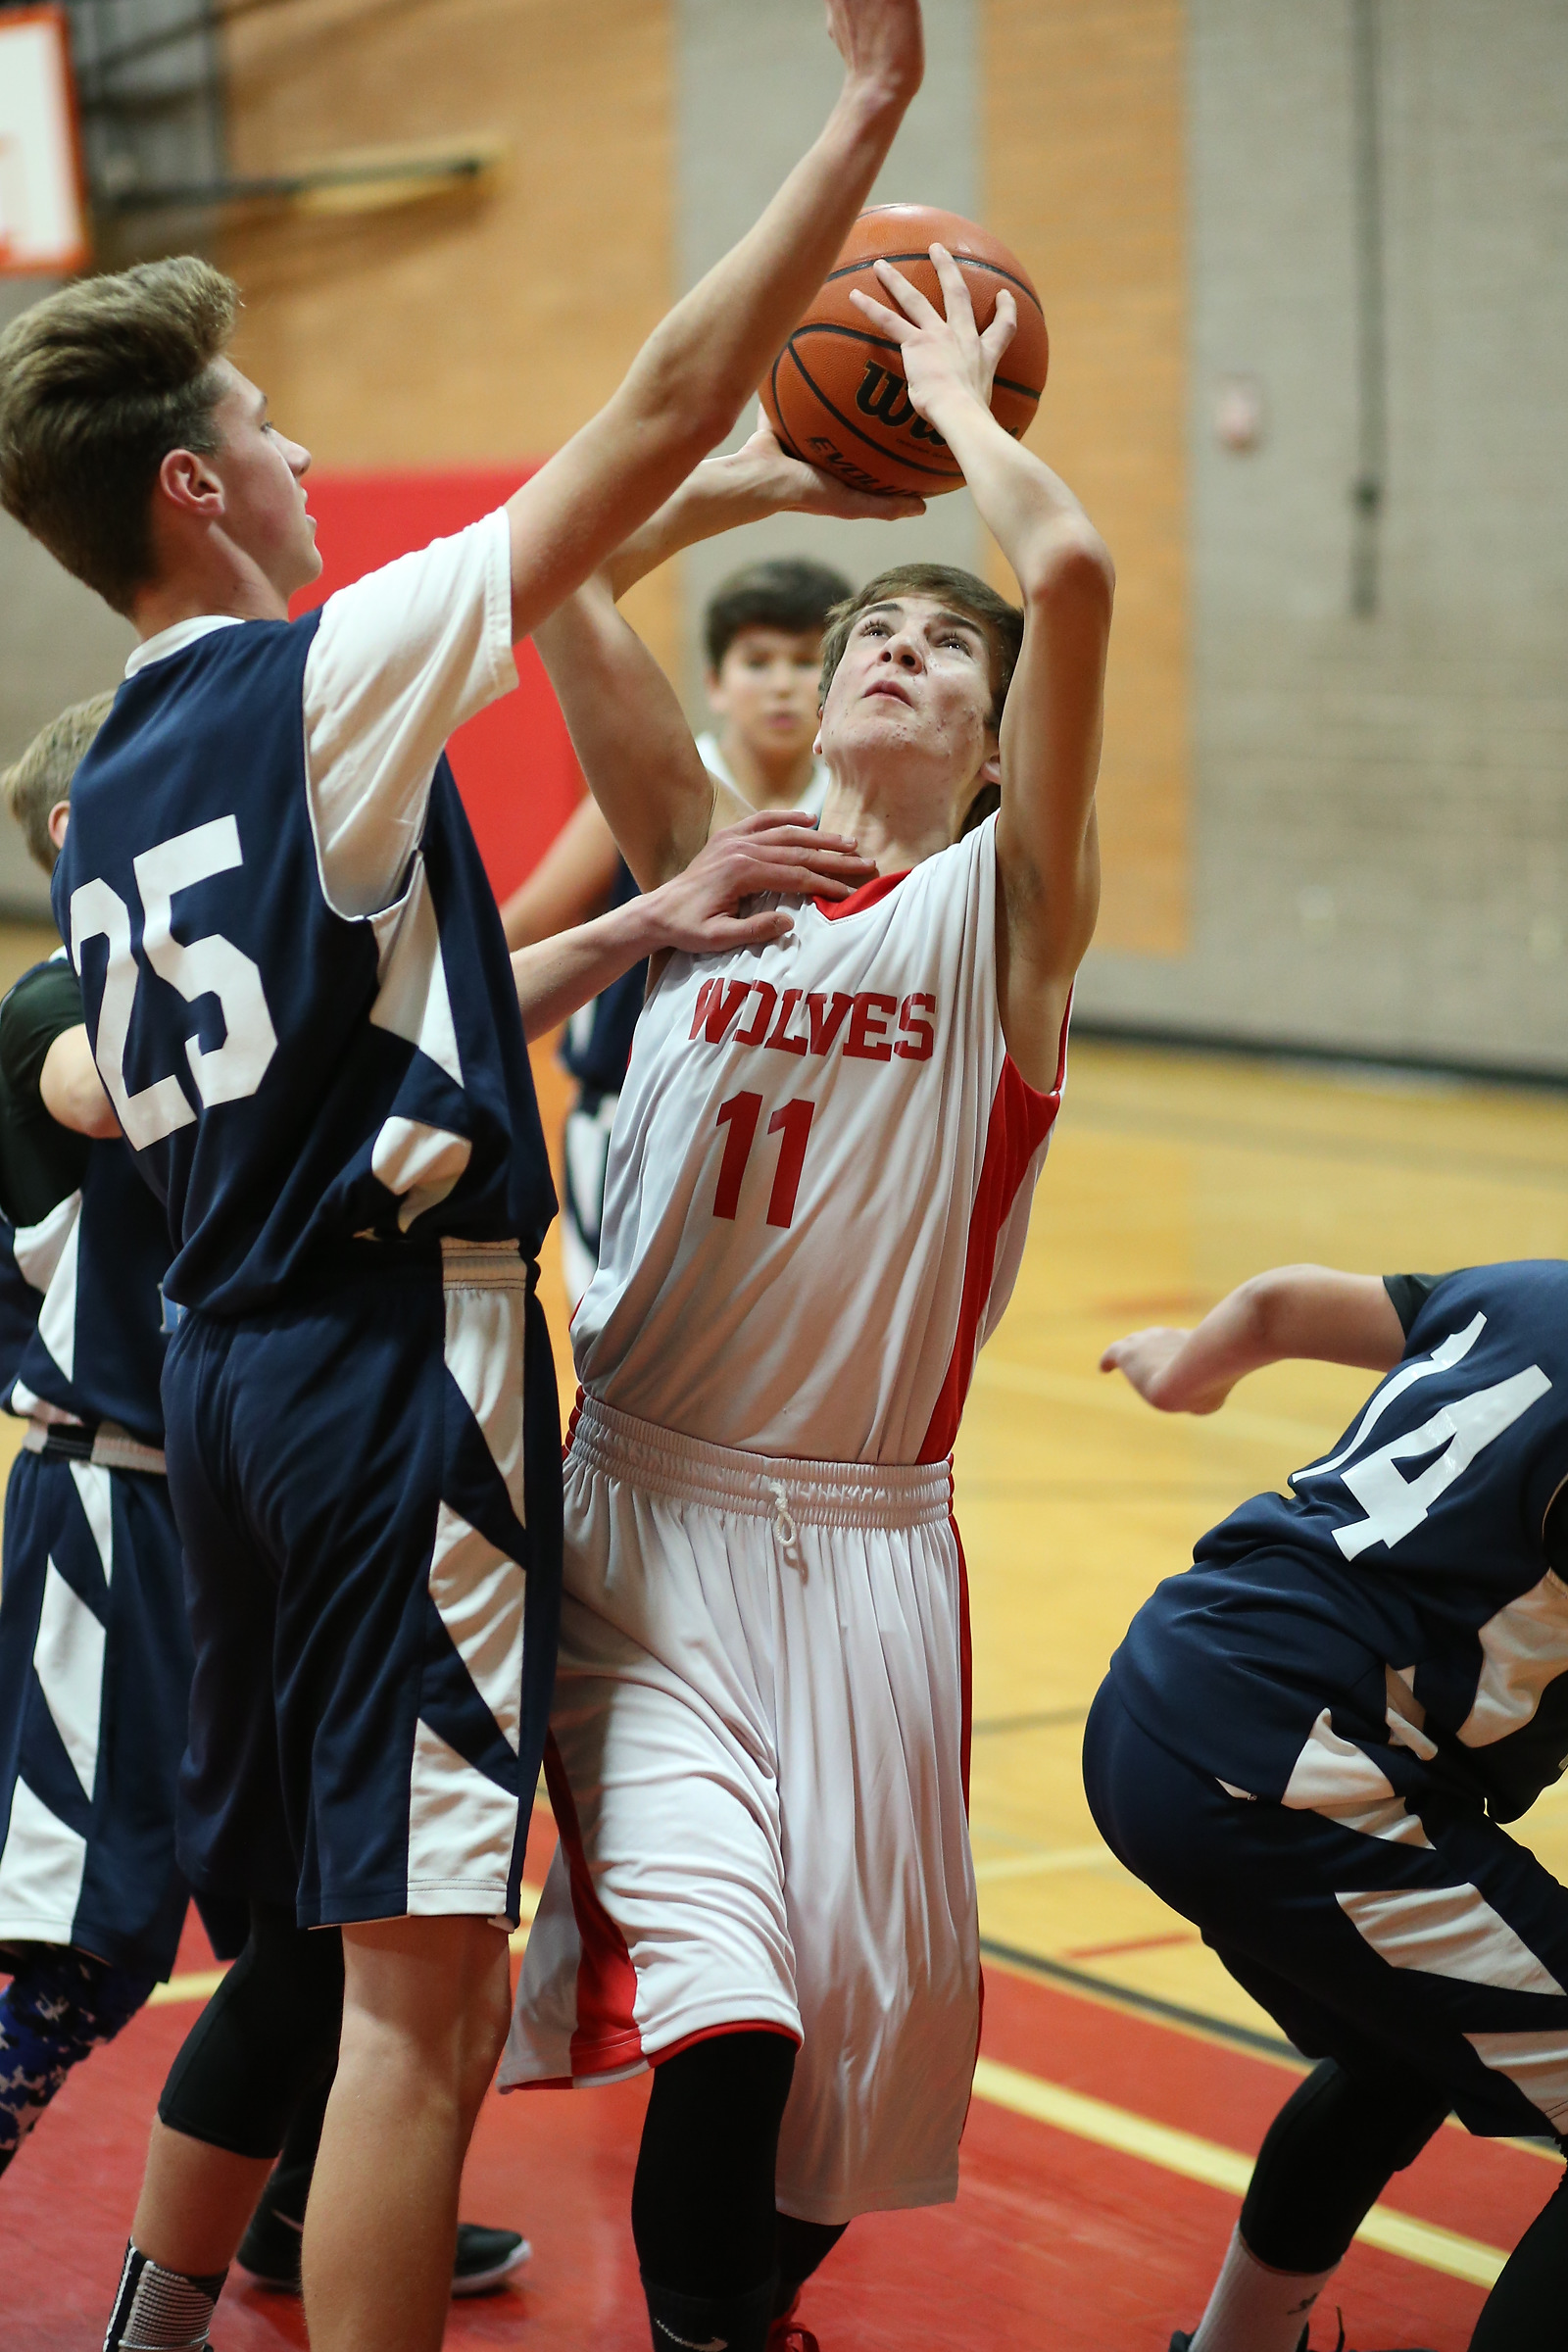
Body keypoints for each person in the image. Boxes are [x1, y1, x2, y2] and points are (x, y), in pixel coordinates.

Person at [0, 11, 924, 2343]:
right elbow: (652, 401)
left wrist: (634, 916)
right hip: (392, 1371)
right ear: (195, 487)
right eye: (262, 423)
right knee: (423, 2006)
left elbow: (344, 1033)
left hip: (230, 1381)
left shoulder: (106, 787)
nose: (301, 450)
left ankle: (157, 2316)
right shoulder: (302, 685)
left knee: (313, 1955)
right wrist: (862, 117)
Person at [500, 245, 1114, 2352]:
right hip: (642, 1523)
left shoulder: (1008, 920)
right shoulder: (700, 842)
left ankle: (744, 2314)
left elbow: (1073, 575)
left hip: (864, 1557)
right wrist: (755, 480)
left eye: (948, 647)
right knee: (734, 2009)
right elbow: (552, 572)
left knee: (860, 2069)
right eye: (877, 633)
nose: (903, 653)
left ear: (994, 740)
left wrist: (951, 408)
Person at [1091, 1259, 1568, 2352]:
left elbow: (1276, 1306)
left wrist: (1180, 1374)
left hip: (1157, 1699)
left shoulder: (1532, 1287)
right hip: (1293, 1777)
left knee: (1410, 2045)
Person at [502, 550, 852, 1303]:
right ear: (715, 683)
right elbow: (526, 924)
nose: (783, 683)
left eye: (806, 663)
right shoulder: (654, 786)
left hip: (789, 1124)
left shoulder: (856, 810)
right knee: (620, 1337)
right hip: (632, 1110)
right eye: (758, 661)